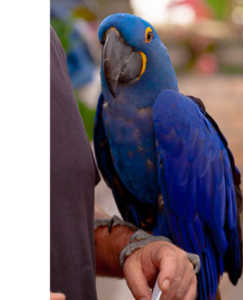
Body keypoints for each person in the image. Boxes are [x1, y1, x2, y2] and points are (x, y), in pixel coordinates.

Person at [50, 26, 197, 300]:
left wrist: (136, 245)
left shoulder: (48, 44)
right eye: (107, 40)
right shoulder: (106, 116)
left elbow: (67, 219)